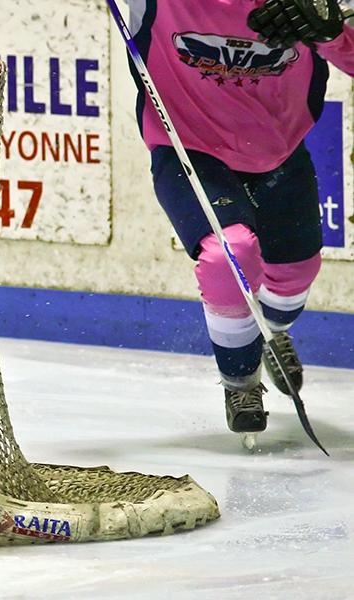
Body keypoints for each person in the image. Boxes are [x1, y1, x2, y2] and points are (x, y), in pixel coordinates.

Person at [125, 0, 353, 436]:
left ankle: (268, 330)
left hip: (278, 153)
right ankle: (240, 379)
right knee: (227, 253)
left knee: (295, 277)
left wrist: (330, 30)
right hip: (188, 149)